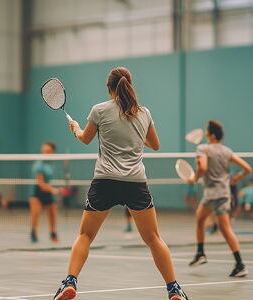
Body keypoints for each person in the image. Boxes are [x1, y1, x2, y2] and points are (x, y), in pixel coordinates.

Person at [53, 67, 189, 300]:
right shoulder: (144, 113)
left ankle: (70, 282)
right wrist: (136, 132)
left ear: (109, 88)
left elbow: (85, 139)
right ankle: (173, 288)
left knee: (85, 235)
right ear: (129, 85)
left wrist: (75, 128)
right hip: (135, 183)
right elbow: (155, 145)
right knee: (153, 238)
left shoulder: (99, 110)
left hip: (104, 181)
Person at [188, 120, 251, 277]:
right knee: (223, 228)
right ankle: (239, 264)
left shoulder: (203, 148)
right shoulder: (226, 150)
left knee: (200, 220)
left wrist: (193, 178)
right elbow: (247, 168)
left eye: (207, 130)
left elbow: (202, 168)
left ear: (212, 134)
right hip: (224, 194)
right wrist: (237, 178)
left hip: (211, 194)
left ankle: (201, 253)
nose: (205, 132)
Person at [29, 142, 59, 243]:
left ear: (52, 152)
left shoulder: (51, 163)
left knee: (52, 214)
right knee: (35, 213)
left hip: (48, 190)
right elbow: (41, 183)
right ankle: (33, 232)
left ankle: (53, 233)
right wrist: (53, 190)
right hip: (37, 191)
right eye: (44, 151)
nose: (45, 153)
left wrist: (51, 189)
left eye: (48, 151)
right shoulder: (38, 164)